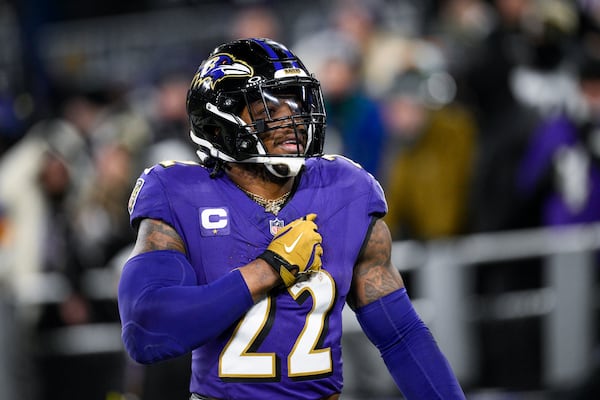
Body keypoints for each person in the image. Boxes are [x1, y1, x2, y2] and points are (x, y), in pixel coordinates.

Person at [117, 38, 465, 400]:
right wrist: (268, 269)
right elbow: (146, 331)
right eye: (271, 102)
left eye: (296, 99)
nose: (293, 115)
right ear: (222, 120)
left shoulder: (344, 189)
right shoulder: (180, 192)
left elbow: (400, 335)